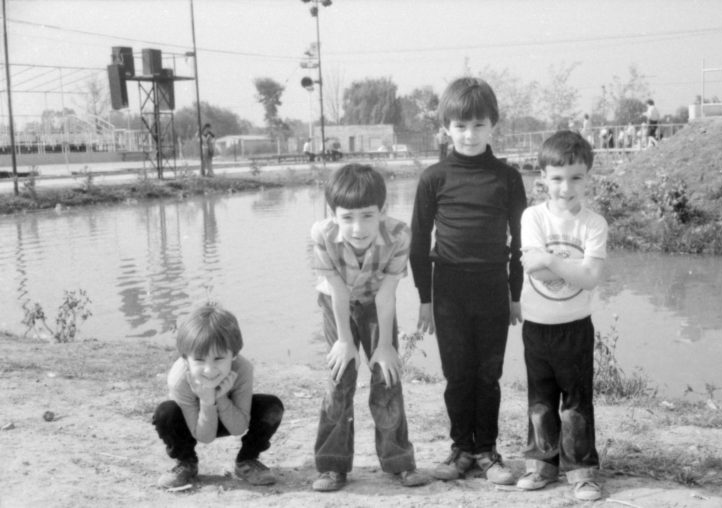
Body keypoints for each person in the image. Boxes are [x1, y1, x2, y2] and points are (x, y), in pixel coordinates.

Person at [410, 77, 527, 485]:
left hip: (494, 288)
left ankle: (487, 451)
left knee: (488, 375)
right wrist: (425, 299)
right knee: (457, 374)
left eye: (478, 125)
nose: (470, 134)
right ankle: (461, 448)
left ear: (493, 124)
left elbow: (521, 244)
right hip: (449, 291)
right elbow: (418, 242)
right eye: (460, 126)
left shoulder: (508, 178)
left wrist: (515, 295)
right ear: (446, 127)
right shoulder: (433, 178)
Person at [309, 163, 431, 492]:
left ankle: (399, 462)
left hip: (379, 304)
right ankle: (332, 465)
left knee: (387, 378)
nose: (358, 227)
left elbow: (388, 294)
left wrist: (386, 347)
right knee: (340, 379)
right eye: (347, 217)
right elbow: (336, 290)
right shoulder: (321, 235)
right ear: (333, 214)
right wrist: (345, 342)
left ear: (383, 210)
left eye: (367, 215)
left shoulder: (399, 234)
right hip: (338, 306)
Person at [515, 130, 608, 502]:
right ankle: (542, 462)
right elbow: (534, 272)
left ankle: (582, 471)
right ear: (543, 180)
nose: (565, 188)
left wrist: (552, 260)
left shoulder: (594, 224)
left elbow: (590, 278)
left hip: (575, 327)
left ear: (588, 177)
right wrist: (572, 266)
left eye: (575, 178)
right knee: (539, 399)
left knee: (576, 402)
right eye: (556, 178)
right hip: (537, 326)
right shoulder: (532, 216)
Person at [152, 303, 284, 489]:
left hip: (231, 415)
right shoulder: (179, 379)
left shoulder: (243, 369)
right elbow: (205, 437)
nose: (209, 369)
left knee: (271, 406)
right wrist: (207, 401)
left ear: (234, 355)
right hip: (194, 424)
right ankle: (186, 463)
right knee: (165, 413)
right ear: (185, 358)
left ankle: (247, 461)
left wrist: (220, 397)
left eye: (219, 358)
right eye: (198, 359)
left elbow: (238, 428)